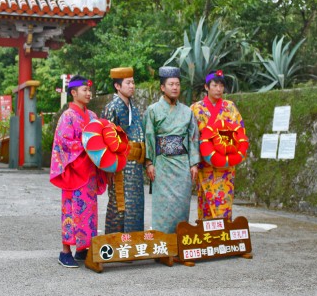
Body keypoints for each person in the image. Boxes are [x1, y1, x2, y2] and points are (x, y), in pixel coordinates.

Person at [50, 75, 108, 268]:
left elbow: (99, 138)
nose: (88, 93)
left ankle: (83, 249)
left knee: (89, 212)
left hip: (89, 171)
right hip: (74, 171)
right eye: (84, 90)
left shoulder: (92, 116)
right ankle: (65, 252)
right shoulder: (67, 116)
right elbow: (64, 143)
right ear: (73, 93)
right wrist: (88, 147)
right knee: (71, 210)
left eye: (89, 90)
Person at [143, 66, 200, 234]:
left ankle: (181, 243)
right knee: (163, 206)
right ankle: (163, 245)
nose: (175, 87)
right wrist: (149, 163)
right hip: (162, 164)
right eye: (171, 84)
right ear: (162, 87)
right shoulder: (153, 110)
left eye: (177, 84)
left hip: (182, 165)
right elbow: (148, 137)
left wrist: (194, 163)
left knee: (182, 204)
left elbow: (193, 138)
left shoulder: (187, 112)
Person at [190, 70, 246, 221]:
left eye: (221, 85)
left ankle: (223, 237)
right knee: (206, 202)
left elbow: (240, 132)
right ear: (206, 87)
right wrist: (193, 162)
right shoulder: (196, 109)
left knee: (224, 201)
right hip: (205, 163)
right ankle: (207, 239)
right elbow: (192, 137)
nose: (218, 89)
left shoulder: (230, 107)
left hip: (226, 164)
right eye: (214, 85)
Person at [101, 67, 146, 234]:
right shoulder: (112, 107)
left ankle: (133, 245)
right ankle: (117, 244)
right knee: (119, 204)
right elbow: (106, 138)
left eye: (133, 82)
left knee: (135, 204)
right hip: (120, 164)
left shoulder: (133, 107)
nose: (132, 86)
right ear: (117, 86)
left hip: (135, 165)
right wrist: (109, 167)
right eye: (128, 83)